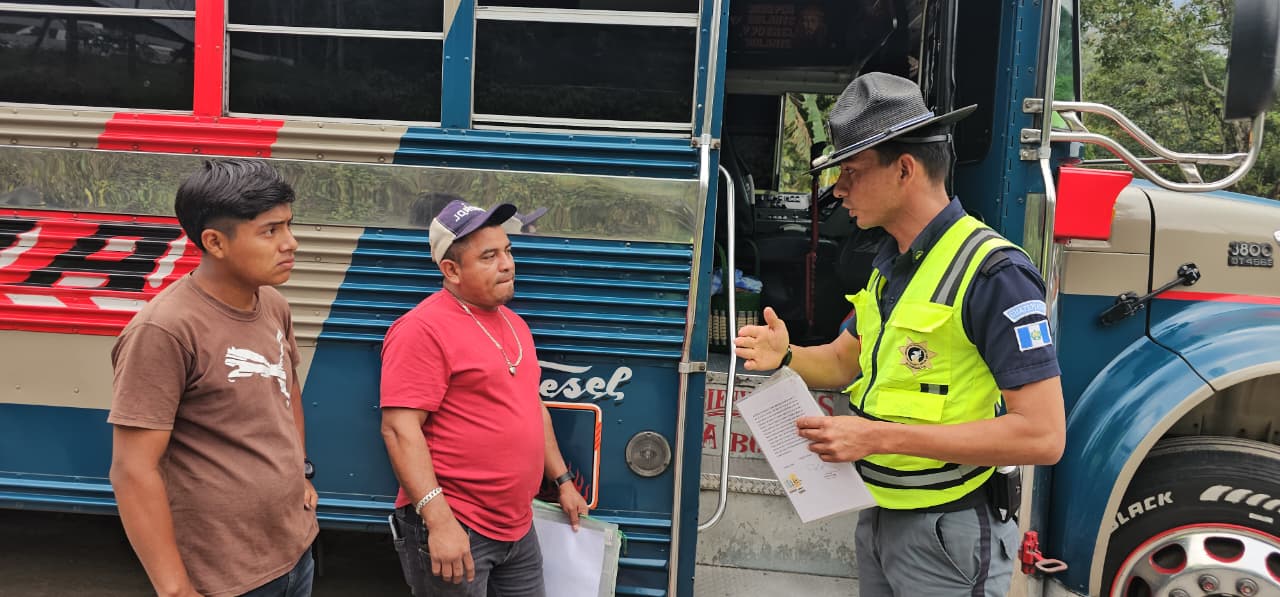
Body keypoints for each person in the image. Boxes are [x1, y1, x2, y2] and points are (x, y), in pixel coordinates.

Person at [734, 72, 1066, 597]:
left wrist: (877, 436)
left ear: (905, 169)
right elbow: (846, 361)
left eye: (851, 171)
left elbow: (1043, 437)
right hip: (881, 519)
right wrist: (788, 355)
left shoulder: (994, 273)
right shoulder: (891, 265)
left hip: (948, 533)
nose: (838, 190)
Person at [108, 159, 317, 597]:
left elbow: (287, 389)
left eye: (289, 226)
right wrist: (175, 588)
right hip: (226, 578)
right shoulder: (165, 330)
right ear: (215, 243)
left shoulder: (273, 303)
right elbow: (133, 470)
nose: (291, 243)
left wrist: (300, 471)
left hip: (295, 553)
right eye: (270, 231)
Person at [380, 198, 589, 596]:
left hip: (518, 526)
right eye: (489, 256)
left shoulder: (514, 324)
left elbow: (532, 409)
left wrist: (562, 481)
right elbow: (399, 429)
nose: (508, 264)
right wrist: (439, 522)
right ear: (452, 270)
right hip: (458, 523)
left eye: (508, 251)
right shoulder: (421, 329)